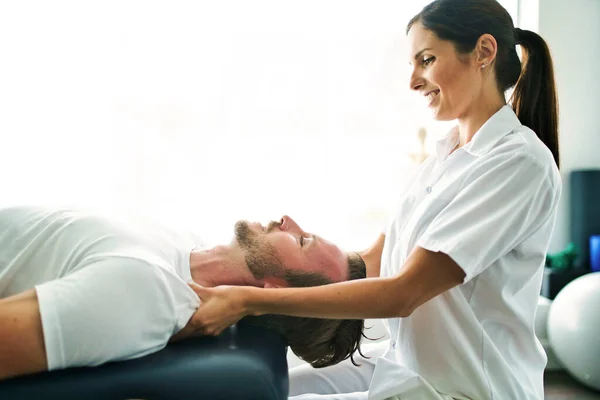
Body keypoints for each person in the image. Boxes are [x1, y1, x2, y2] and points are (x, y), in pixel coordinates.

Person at [178, 0, 562, 399]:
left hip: (469, 389)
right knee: (274, 387)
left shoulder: (518, 163)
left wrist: (245, 300)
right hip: (411, 369)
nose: (413, 81)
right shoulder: (443, 158)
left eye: (426, 60)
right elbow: (376, 260)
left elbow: (404, 292)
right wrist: (273, 265)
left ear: (484, 52)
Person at [0, 206, 366, 381]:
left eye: (302, 240)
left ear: (277, 290)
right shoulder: (183, 245)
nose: (288, 219)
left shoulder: (143, 294)